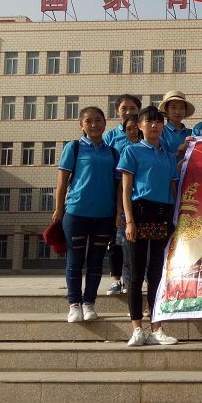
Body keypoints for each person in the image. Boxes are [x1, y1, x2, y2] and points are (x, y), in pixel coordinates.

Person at [118, 106, 180, 346]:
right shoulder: (131, 151)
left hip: (163, 215)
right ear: (139, 126)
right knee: (135, 275)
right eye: (149, 121)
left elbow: (174, 190)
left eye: (158, 122)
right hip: (139, 213)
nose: (154, 125)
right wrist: (129, 220)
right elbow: (126, 190)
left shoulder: (168, 157)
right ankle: (137, 329)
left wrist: (175, 219)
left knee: (156, 274)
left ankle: (157, 328)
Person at [53, 106, 118, 322]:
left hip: (104, 215)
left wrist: (118, 212)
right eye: (88, 121)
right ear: (81, 125)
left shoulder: (112, 152)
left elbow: (118, 186)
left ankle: (89, 303)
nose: (94, 124)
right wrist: (58, 209)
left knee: (96, 262)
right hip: (76, 213)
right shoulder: (73, 148)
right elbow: (62, 182)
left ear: (105, 123)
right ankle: (74, 304)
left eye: (98, 120)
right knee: (75, 261)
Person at [103, 95, 141, 295]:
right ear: (117, 110)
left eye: (133, 108)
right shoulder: (111, 136)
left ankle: (132, 279)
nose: (128, 112)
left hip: (139, 196)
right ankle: (116, 279)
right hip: (116, 191)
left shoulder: (145, 137)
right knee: (116, 239)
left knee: (134, 241)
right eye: (124, 108)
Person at [158, 90, 194, 157]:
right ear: (166, 110)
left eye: (181, 108)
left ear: (185, 110)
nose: (177, 112)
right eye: (173, 107)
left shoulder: (191, 133)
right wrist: (178, 153)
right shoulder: (160, 132)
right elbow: (160, 157)